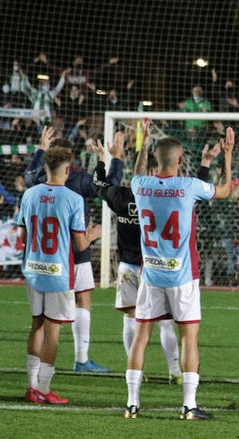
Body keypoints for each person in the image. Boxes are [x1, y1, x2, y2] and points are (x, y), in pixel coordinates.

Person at [122, 128, 235, 420]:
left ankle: (132, 404)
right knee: (189, 338)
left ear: (153, 159)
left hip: (151, 276)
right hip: (182, 276)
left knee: (141, 336)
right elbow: (224, 190)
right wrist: (227, 155)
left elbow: (137, 172)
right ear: (181, 159)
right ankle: (188, 406)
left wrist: (142, 144)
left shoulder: (139, 183)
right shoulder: (188, 186)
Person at [90, 122, 183, 384]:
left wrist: (106, 160)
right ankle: (175, 371)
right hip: (156, 267)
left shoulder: (122, 197)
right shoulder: (165, 197)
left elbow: (98, 184)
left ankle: (135, 370)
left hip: (128, 266)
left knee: (131, 318)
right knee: (165, 321)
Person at [24, 125, 122, 373]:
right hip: (74, 254)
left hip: (39, 258)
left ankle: (35, 380)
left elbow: (27, 176)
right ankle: (79, 360)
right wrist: (111, 159)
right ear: (70, 161)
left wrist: (39, 150)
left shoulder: (35, 183)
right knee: (79, 302)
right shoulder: (78, 181)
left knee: (39, 321)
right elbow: (110, 186)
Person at [14, 145, 101, 405]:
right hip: (58, 273)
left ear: (44, 168)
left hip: (32, 270)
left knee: (36, 325)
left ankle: (31, 386)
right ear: (67, 169)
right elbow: (80, 244)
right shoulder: (73, 199)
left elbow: (22, 237)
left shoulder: (29, 194)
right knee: (53, 331)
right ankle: (43, 388)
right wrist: (93, 235)